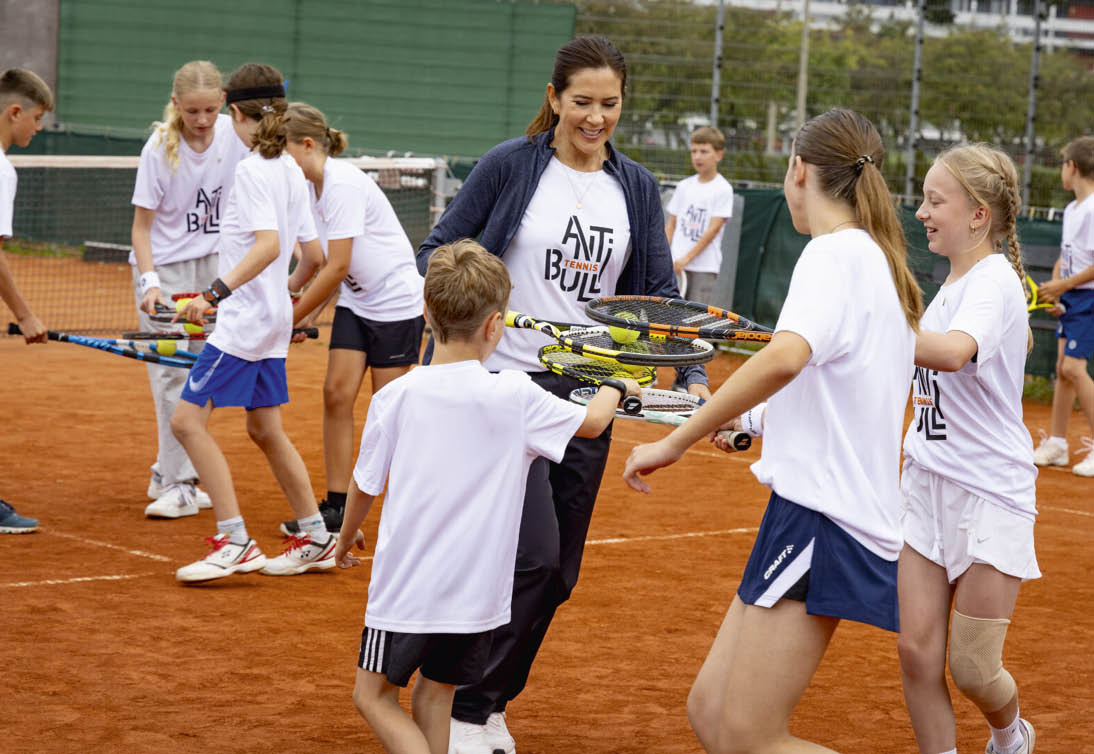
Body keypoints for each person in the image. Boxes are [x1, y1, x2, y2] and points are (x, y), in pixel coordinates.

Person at [415, 35, 709, 753]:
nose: (596, 117)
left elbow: (658, 296)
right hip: (500, 384)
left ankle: (485, 707)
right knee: (524, 556)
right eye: (582, 102)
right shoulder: (511, 167)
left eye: (610, 104)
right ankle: (457, 706)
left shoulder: (636, 187)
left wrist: (691, 374)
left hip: (590, 392)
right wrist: (478, 311)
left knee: (560, 573)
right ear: (553, 100)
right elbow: (438, 251)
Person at [623, 108, 923, 753]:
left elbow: (785, 356)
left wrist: (675, 439)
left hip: (825, 518)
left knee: (748, 733)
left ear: (799, 171)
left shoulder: (834, 254)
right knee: (710, 712)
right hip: (810, 511)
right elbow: (836, 389)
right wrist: (747, 418)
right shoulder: (872, 258)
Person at [334, 239, 636, 754]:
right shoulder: (517, 395)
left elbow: (365, 484)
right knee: (436, 698)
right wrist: (617, 381)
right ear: (495, 325)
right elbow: (592, 423)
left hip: (408, 592)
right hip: (478, 599)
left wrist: (344, 539)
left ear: (427, 311)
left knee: (374, 697)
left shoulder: (395, 397)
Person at [897, 145, 1039, 754]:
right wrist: (760, 415)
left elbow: (952, 352)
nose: (922, 212)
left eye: (936, 200)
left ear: (979, 215)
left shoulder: (996, 282)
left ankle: (1011, 734)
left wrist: (870, 324)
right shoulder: (949, 288)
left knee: (974, 669)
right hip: (926, 486)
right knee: (915, 652)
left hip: (990, 494)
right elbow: (898, 390)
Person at [170, 63, 330, 583]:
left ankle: (235, 540)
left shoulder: (253, 170)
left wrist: (213, 294)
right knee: (264, 427)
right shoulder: (289, 168)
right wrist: (279, 303)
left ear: (234, 113)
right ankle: (317, 536)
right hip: (269, 322)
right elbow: (312, 256)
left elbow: (267, 247)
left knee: (186, 422)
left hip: (243, 324)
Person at [278, 102, 425, 537]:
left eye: (280, 150)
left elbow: (337, 266)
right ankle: (337, 508)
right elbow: (318, 261)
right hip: (358, 304)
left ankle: (409, 512)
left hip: (397, 305)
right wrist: (295, 309)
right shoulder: (306, 186)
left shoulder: (341, 184)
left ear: (307, 145)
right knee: (336, 395)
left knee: (389, 414)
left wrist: (291, 318)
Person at [131, 60, 250, 519]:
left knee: (202, 373)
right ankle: (179, 482)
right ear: (176, 104)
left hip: (216, 270)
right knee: (170, 375)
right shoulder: (158, 147)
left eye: (208, 110)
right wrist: (150, 284)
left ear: (222, 102)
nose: (200, 121)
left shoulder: (235, 137)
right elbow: (141, 228)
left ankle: (167, 472)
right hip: (166, 271)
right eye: (191, 111)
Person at [0, 67, 53, 534]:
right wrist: (26, 314)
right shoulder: (1, 170)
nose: (37, 128)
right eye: (35, 118)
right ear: (14, 112)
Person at [1029, 135, 1094, 477]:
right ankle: (1056, 443)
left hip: (1089, 296)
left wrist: (1064, 286)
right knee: (1061, 368)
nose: (1060, 173)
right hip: (1071, 294)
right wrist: (1056, 290)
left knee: (1073, 368)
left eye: (1062, 165)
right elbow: (1067, 257)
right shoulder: (1072, 210)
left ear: (1073, 167)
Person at [664, 125, 734, 304]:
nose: (697, 156)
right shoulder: (684, 186)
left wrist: (686, 259)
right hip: (674, 266)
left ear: (718, 155)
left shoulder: (723, 189)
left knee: (695, 321)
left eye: (704, 151)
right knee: (668, 315)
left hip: (703, 268)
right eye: (694, 151)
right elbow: (671, 225)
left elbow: (713, 230)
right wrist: (665, 257)